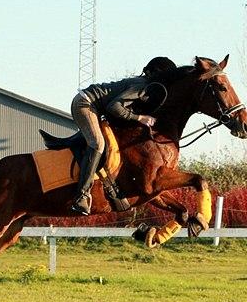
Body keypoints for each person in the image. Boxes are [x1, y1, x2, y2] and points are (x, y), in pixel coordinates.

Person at [70, 56, 177, 215]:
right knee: (97, 144)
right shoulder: (142, 86)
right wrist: (140, 118)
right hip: (85, 104)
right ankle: (82, 196)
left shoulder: (144, 85)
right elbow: (114, 107)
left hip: (94, 106)